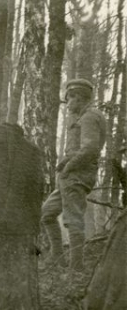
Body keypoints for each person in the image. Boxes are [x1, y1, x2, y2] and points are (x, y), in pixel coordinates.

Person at [41, 79, 107, 271]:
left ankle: (76, 268)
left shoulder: (89, 117)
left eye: (69, 99)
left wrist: (68, 166)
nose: (67, 104)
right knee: (47, 214)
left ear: (78, 97)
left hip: (77, 176)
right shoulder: (82, 116)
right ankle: (57, 258)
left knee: (73, 220)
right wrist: (65, 162)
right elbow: (81, 149)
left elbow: (90, 149)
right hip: (70, 175)